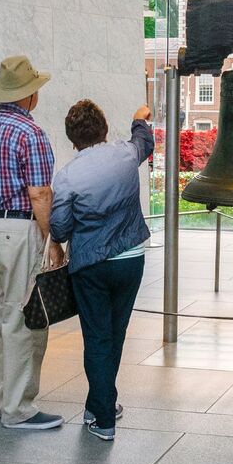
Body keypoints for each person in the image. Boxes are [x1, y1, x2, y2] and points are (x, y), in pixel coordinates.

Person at [0, 55, 64, 430]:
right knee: (23, 319)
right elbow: (40, 193)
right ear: (30, 96)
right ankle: (19, 409)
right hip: (19, 229)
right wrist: (51, 240)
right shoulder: (30, 134)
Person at [50, 101, 154, 441]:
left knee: (96, 337)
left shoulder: (68, 176)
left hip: (90, 266)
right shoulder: (125, 155)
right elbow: (145, 142)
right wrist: (139, 119)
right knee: (116, 332)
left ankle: (104, 418)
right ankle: (98, 405)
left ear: (71, 138)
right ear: (104, 129)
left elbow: (61, 227)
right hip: (130, 258)